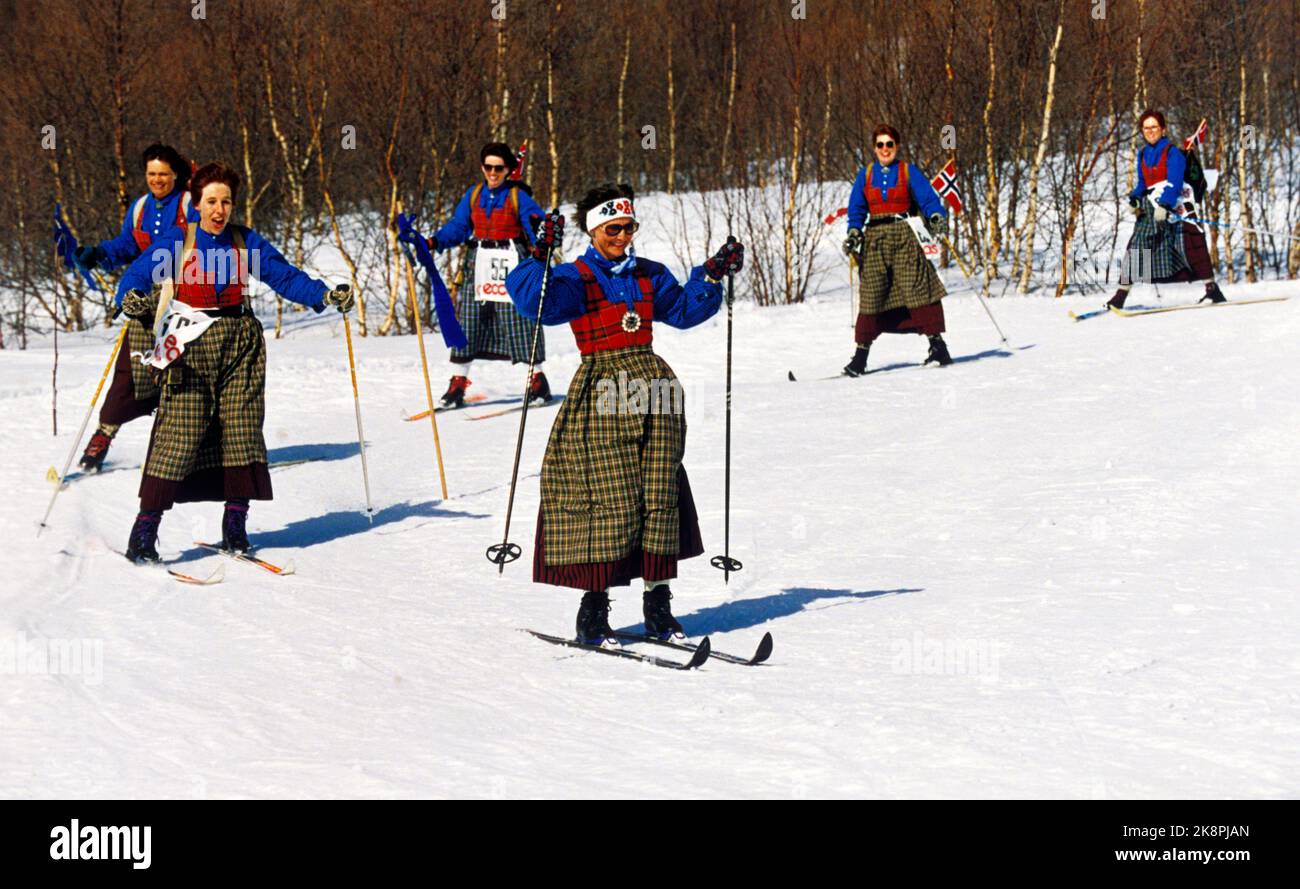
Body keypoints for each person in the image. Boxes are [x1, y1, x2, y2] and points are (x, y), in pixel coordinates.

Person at [505, 183, 743, 645]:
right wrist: (538, 255)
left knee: (659, 489)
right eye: (613, 228)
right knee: (609, 496)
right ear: (594, 230)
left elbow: (682, 310)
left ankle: (659, 607)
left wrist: (711, 274)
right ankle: (593, 611)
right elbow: (538, 305)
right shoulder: (575, 278)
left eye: (628, 227)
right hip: (603, 389)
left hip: (655, 387)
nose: (622, 236)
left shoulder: (649, 274)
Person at [115, 162, 352, 562]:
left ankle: (236, 527)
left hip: (240, 343)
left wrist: (325, 296)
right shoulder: (180, 241)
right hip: (190, 343)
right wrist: (133, 297)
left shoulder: (244, 242)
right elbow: (136, 275)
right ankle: (143, 531)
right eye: (211, 201)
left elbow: (284, 277)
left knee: (242, 430)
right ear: (196, 202)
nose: (219, 209)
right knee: (179, 432)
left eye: (226, 201)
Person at [73, 143, 197, 471]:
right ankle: (104, 435)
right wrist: (99, 253)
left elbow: (171, 246)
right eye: (152, 174)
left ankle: (197, 448)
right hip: (146, 297)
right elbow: (129, 243)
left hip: (186, 296)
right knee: (131, 367)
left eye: (164, 175)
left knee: (186, 372)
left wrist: (134, 282)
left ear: (176, 175)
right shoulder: (141, 206)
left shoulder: (189, 204)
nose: (157, 180)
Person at [417, 142, 550, 408]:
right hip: (480, 264)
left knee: (519, 320)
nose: (492, 172)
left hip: (512, 261)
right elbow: (459, 226)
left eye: (498, 168)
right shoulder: (474, 194)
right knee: (469, 321)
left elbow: (537, 223)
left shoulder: (517, 196)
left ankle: (537, 381)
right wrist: (434, 242)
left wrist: (543, 240)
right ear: (482, 167)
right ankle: (457, 383)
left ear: (507, 170)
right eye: (488, 167)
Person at [841, 125, 952, 376]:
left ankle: (938, 347)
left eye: (889, 144)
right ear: (874, 148)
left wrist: (935, 216)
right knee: (872, 292)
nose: (885, 149)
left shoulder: (907, 171)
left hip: (903, 234)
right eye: (880, 145)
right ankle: (860, 357)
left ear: (897, 146)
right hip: (876, 239)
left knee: (916, 287)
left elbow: (929, 200)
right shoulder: (865, 175)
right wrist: (854, 232)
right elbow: (856, 209)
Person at [1108, 109, 1226, 310]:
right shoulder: (1143, 154)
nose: (1150, 131)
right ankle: (1120, 295)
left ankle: (1212, 287)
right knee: (1137, 247)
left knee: (1191, 246)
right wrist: (1135, 198)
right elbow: (1143, 183)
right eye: (1146, 128)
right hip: (1150, 207)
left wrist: (1165, 204)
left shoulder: (1173, 153)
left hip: (1176, 207)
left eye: (1154, 127)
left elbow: (1175, 182)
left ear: (1163, 129)